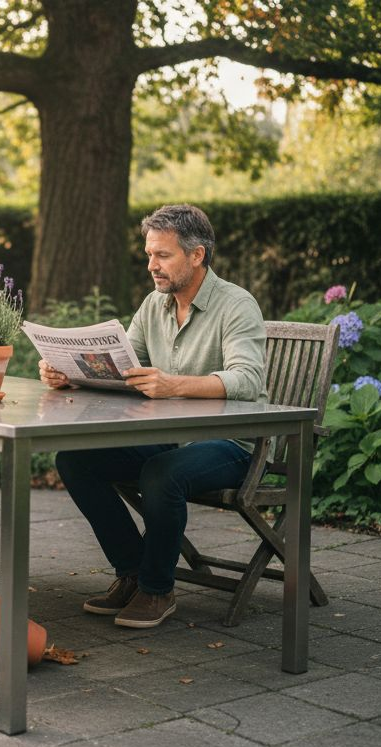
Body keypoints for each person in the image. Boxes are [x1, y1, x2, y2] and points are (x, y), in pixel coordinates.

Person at [39, 204, 267, 628]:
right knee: (75, 459)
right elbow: (125, 369)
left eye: (163, 255)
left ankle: (157, 589)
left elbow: (247, 379)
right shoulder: (154, 305)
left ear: (197, 255)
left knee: (163, 474)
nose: (152, 266)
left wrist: (174, 384)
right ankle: (133, 573)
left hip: (234, 443)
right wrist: (69, 375)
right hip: (171, 437)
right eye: (149, 255)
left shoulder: (236, 304)